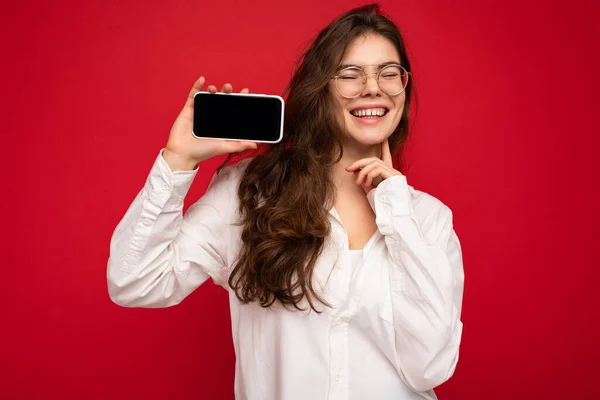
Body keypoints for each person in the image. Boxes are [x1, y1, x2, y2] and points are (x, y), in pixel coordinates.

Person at [107, 3, 465, 400]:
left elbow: (430, 367)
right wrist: (178, 160)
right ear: (320, 88)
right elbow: (134, 281)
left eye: (389, 73)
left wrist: (396, 213)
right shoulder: (252, 194)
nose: (373, 87)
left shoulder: (426, 219)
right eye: (350, 74)